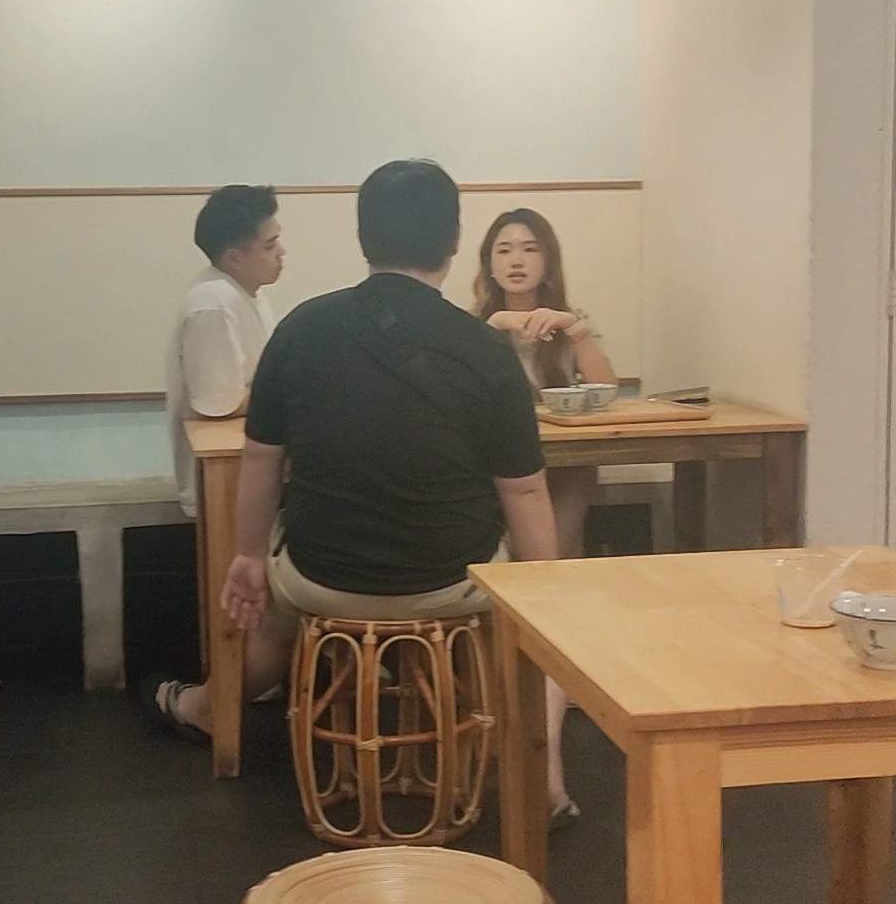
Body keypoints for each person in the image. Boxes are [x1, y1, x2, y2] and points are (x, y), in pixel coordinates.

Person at [152, 160, 577, 824]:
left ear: (362, 238)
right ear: (454, 240)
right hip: (451, 580)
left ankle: (210, 711)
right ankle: (542, 777)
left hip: (320, 579)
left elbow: (260, 460)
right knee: (541, 621)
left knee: (275, 594)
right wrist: (544, 592)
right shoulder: (484, 349)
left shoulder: (302, 329)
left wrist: (246, 556)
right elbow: (523, 493)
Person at [475, 208, 619, 824]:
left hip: (556, 479)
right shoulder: (472, 328)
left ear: (548, 261)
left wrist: (576, 331)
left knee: (577, 475)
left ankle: (549, 583)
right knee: (542, 583)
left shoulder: (566, 325)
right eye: (504, 249)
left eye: (530, 248)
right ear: (487, 264)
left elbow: (607, 394)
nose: (516, 259)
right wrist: (491, 328)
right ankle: (546, 594)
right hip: (489, 488)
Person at [164, 185, 284, 518]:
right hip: (224, 481)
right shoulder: (214, 302)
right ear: (235, 258)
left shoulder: (246, 293)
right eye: (270, 245)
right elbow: (218, 405)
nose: (282, 252)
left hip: (248, 470)